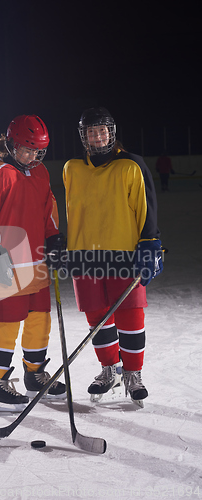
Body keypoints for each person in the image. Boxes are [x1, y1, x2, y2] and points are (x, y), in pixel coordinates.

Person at [63, 107, 163, 403]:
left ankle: (132, 374)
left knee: (129, 316)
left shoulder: (131, 165)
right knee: (97, 318)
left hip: (124, 254)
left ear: (112, 132)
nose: (97, 136)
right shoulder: (71, 168)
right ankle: (109, 369)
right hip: (85, 255)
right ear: (84, 136)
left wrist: (149, 242)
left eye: (102, 130)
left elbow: (147, 207)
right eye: (91, 131)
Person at [0, 115, 66, 412]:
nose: (31, 156)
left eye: (37, 151)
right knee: (8, 320)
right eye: (26, 149)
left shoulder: (39, 172)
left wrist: (53, 237)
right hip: (4, 262)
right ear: (11, 144)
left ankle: (35, 374)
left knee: (40, 318)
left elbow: (48, 206)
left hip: (36, 262)